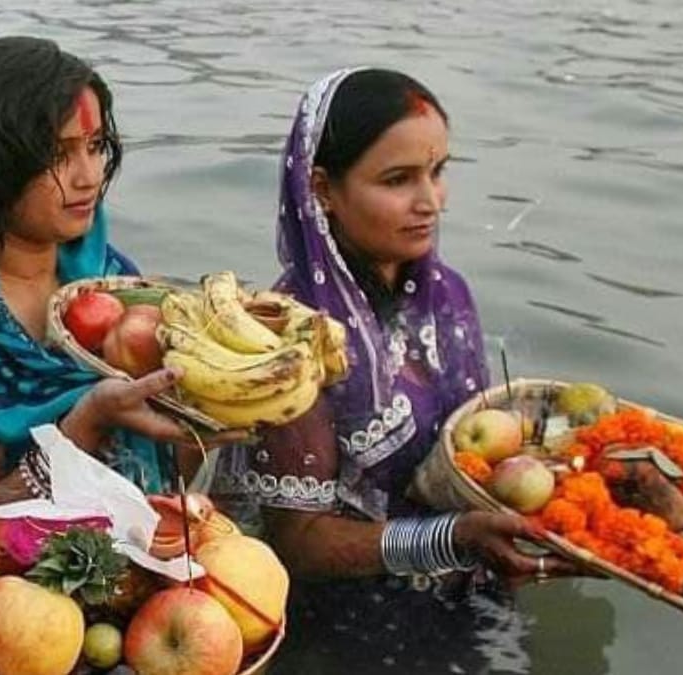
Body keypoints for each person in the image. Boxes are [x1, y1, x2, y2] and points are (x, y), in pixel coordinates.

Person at [242, 68, 578, 673]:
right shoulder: (290, 338)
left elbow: (474, 454)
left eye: (439, 171)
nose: (431, 201)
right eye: (398, 180)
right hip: (350, 628)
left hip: (472, 587)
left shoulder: (448, 295)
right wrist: (452, 539)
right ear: (322, 189)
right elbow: (298, 544)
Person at [0, 37, 222, 515]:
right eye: (58, 154)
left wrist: (207, 414)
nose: (88, 176)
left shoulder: (112, 281)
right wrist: (86, 423)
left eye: (96, 146)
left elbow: (164, 474)